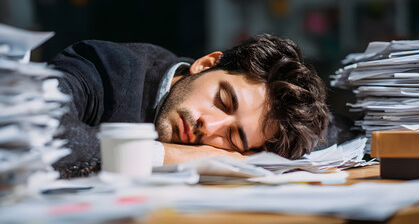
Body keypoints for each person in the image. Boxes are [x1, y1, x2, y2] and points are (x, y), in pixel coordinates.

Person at [49, 34, 329, 178]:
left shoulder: (258, 143)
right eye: (223, 101)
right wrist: (172, 156)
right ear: (206, 64)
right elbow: (39, 132)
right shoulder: (106, 67)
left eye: (232, 137)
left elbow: (338, 131)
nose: (210, 126)